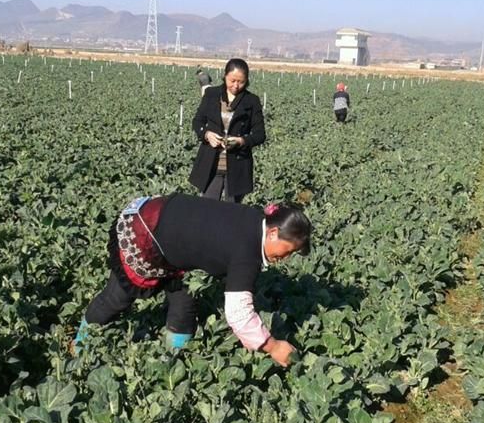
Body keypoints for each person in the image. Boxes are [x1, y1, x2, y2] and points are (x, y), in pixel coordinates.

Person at [75, 194, 312, 367]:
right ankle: (79, 347)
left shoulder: (255, 220)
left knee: (184, 305)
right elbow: (239, 314)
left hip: (169, 224)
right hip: (145, 230)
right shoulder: (246, 252)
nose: (286, 257)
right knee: (117, 297)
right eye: (288, 250)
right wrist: (273, 346)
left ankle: (170, 363)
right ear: (272, 233)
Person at [190, 58, 265, 203]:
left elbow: (259, 134)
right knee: (208, 210)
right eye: (232, 80)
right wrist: (206, 134)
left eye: (241, 82)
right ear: (225, 76)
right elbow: (197, 121)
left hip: (237, 165)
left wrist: (241, 141)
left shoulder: (252, 101)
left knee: (232, 214)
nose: (236, 86)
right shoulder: (211, 94)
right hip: (211, 164)